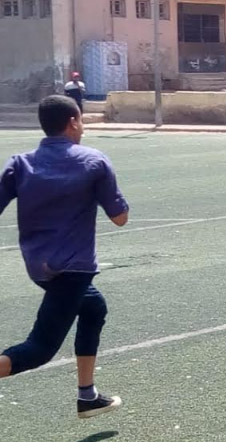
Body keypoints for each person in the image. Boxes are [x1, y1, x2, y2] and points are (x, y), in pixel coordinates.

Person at [0, 95, 129, 419]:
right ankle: (86, 396)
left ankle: (87, 396)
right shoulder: (94, 160)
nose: (82, 128)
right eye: (81, 121)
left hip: (38, 267)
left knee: (94, 307)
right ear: (73, 122)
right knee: (40, 349)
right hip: (73, 268)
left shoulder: (20, 163)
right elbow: (119, 217)